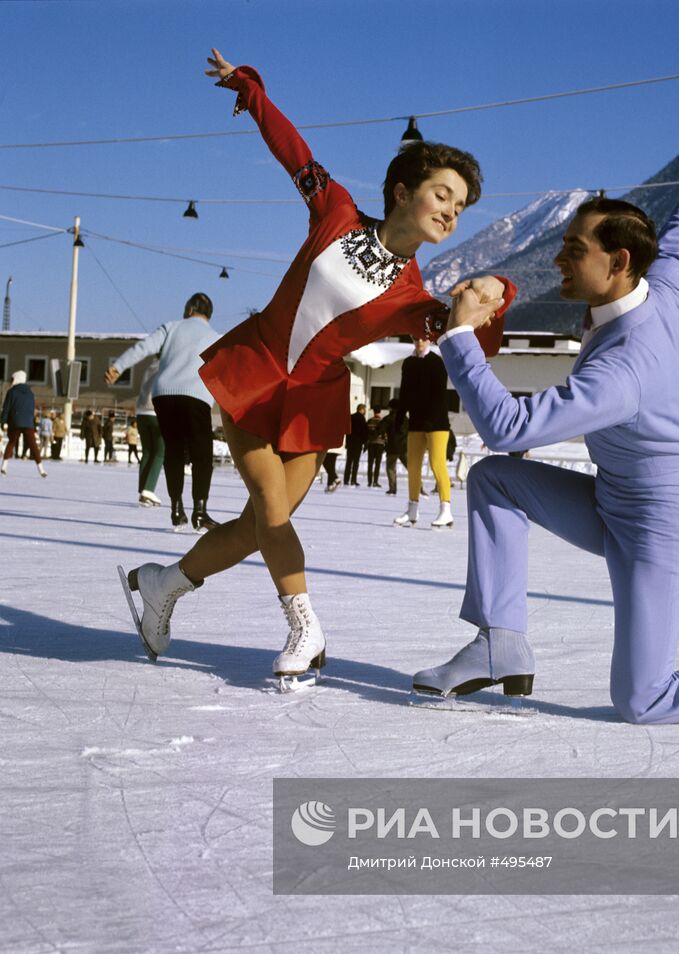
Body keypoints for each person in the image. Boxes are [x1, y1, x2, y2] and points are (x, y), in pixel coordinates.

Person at [411, 108, 679, 724]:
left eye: (573, 250)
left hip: (658, 535)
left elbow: (506, 428)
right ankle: (499, 644)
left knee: (643, 700)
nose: (558, 259)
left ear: (617, 264)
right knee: (496, 480)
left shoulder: (625, 369)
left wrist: (460, 338)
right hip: (611, 502)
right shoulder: (658, 285)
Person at [119, 48, 515, 691]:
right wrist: (250, 92)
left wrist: (495, 295)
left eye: (462, 205)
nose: (452, 210)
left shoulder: (416, 300)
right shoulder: (334, 212)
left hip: (314, 402)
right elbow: (294, 151)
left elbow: (476, 340)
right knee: (272, 508)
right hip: (255, 371)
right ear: (402, 191)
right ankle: (306, 627)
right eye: (443, 194)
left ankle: (163, 584)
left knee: (258, 525)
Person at [106, 292, 222, 528]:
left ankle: (176, 507)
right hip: (196, 397)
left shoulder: (171, 327)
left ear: (189, 310)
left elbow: (143, 348)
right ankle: (199, 511)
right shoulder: (214, 337)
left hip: (164, 395)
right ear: (208, 315)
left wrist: (118, 367)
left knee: (174, 450)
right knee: (202, 455)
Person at [393, 336, 454, 528]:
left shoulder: (437, 363)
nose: (419, 341)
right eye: (416, 338)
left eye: (423, 338)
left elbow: (439, 394)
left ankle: (446, 510)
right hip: (416, 422)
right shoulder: (409, 363)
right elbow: (404, 392)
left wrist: (430, 420)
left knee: (437, 464)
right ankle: (412, 510)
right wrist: (399, 417)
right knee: (413, 466)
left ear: (429, 341)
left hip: (437, 423)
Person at [0, 371, 47, 477]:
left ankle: (4, 466)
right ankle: (41, 469)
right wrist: (32, 422)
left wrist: (3, 422)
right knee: (33, 445)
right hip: (28, 422)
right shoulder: (30, 392)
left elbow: (6, 408)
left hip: (15, 421)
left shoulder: (11, 392)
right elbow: (31, 409)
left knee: (11, 442)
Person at [133, 358, 165, 506]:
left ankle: (142, 491)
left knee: (147, 452)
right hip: (157, 412)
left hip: (141, 412)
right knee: (160, 452)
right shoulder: (168, 364)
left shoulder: (150, 366)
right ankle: (149, 489)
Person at [382, 400, 407, 495]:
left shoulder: (388, 418)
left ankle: (392, 489)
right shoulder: (405, 419)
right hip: (404, 447)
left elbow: (380, 429)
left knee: (390, 468)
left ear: (390, 408)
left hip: (392, 447)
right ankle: (419, 487)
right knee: (411, 468)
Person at [343, 404, 367, 486]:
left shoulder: (351, 417)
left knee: (348, 462)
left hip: (350, 443)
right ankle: (353, 480)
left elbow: (347, 430)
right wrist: (365, 443)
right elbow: (364, 432)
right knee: (355, 463)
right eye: (364, 409)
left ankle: (346, 480)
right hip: (358, 443)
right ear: (362, 409)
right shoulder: (362, 418)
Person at [365, 407, 386, 488]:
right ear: (380, 412)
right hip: (380, 444)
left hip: (371, 444)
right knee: (377, 464)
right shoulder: (382, 421)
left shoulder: (369, 421)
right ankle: (375, 482)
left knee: (370, 463)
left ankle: (369, 482)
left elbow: (366, 432)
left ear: (373, 412)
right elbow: (385, 433)